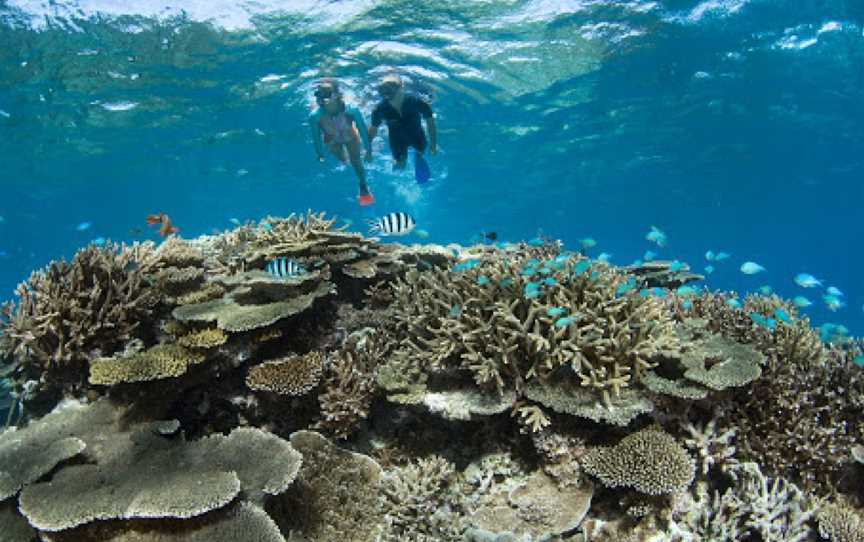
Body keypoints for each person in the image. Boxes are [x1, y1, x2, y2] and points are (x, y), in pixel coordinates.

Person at [309, 79, 374, 205]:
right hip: (332, 142)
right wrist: (319, 153)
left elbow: (362, 131)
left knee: (356, 161)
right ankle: (346, 161)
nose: (322, 98)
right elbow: (316, 136)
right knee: (344, 160)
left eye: (327, 94)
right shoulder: (315, 116)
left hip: (351, 138)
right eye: (319, 94)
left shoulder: (351, 110)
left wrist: (369, 150)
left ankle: (363, 185)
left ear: (337, 95)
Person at [368, 74, 437, 173]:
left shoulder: (417, 102)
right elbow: (373, 130)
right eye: (384, 87)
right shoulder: (380, 110)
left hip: (417, 136)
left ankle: (417, 157)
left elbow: (430, 123)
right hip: (397, 141)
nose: (387, 90)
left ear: (401, 87)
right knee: (400, 165)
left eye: (391, 85)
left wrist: (433, 144)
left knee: (420, 152)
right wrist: (368, 150)